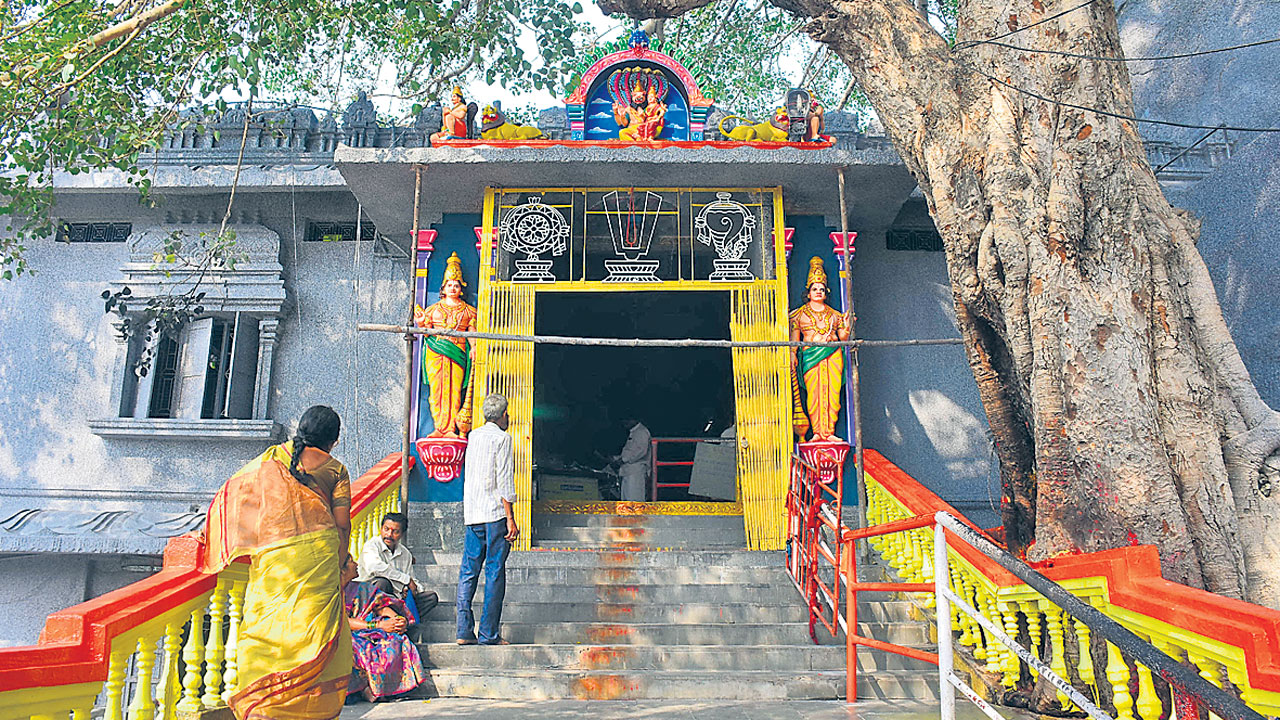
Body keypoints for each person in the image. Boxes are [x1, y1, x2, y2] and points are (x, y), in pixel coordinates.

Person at [201, 405, 353, 719]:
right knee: (315, 631)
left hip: (274, 556)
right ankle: (307, 710)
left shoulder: (271, 460)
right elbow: (342, 524)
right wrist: (342, 567)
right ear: (334, 440)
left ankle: (264, 706)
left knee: (267, 623)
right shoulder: (335, 469)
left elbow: (237, 494)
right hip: (319, 556)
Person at [457, 393, 518, 646]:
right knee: (494, 572)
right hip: (494, 514)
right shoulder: (502, 439)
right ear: (503, 414)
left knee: (468, 572)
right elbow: (504, 480)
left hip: (473, 514)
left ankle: (463, 631)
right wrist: (510, 518)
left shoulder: (473, 436)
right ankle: (488, 633)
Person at [342, 558, 427, 702]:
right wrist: (378, 626)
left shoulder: (361, 588)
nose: (356, 564)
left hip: (372, 627)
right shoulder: (332, 592)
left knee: (396, 641)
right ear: (342, 569)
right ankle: (365, 689)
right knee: (359, 649)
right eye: (351, 561)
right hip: (348, 632)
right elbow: (342, 621)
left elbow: (379, 605)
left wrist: (396, 619)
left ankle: (392, 689)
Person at [415, 252, 478, 438]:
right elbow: (425, 332)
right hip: (436, 353)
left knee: (455, 391)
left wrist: (474, 347)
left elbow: (472, 333)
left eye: (456, 285)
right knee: (436, 392)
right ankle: (439, 429)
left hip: (457, 353)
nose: (453, 288)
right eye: (449, 285)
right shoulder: (433, 310)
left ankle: (451, 429)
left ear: (461, 288)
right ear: (443, 287)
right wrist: (420, 323)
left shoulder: (468, 311)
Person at [790, 257, 852, 441]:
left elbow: (843, 338)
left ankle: (829, 432)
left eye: (821, 289)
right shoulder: (799, 315)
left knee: (833, 396)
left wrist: (847, 326)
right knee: (814, 395)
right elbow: (794, 339)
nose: (818, 292)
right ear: (808, 293)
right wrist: (792, 355)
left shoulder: (835, 315)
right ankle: (817, 432)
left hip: (833, 356)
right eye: (814, 289)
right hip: (810, 357)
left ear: (826, 293)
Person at [355, 512, 439, 639]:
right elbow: (374, 568)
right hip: (371, 600)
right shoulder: (371, 546)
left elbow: (413, 581)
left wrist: (411, 589)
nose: (389, 535)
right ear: (381, 528)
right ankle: (382, 626)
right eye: (386, 529)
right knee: (382, 583)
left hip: (396, 600)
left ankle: (400, 625)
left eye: (395, 531)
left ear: (402, 534)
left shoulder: (405, 554)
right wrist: (404, 580)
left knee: (431, 597)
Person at [612, 416, 651, 502]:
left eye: (627, 419)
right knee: (626, 501)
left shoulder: (641, 432)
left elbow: (640, 451)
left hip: (635, 472)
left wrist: (623, 460)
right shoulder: (634, 432)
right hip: (627, 471)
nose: (625, 422)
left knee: (634, 501)